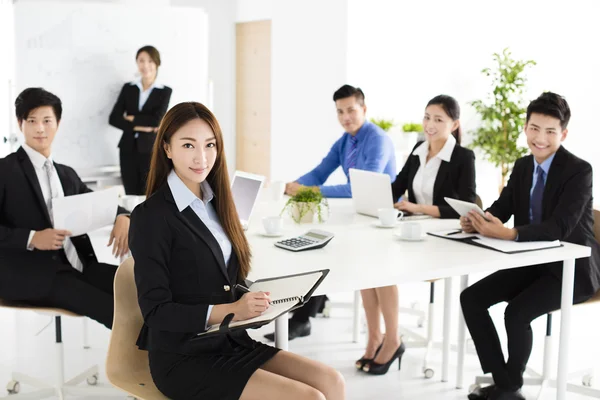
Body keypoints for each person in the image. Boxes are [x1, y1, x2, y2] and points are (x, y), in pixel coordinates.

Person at [128, 102, 345, 400]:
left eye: (210, 145)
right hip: (183, 355)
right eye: (188, 145)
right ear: (167, 148)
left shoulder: (217, 203)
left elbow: (223, 277)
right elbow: (155, 311)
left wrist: (265, 296)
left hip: (229, 341)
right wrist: (231, 310)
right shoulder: (151, 216)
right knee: (309, 397)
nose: (201, 157)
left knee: (332, 382)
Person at [460, 92, 600, 400]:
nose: (540, 138)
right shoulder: (523, 166)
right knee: (471, 298)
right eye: (535, 128)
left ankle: (508, 387)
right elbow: (504, 205)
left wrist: (507, 234)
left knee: (517, 312)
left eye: (550, 131)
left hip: (572, 270)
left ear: (563, 134)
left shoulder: (579, 171)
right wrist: (482, 220)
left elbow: (559, 227)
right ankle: (508, 383)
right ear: (525, 128)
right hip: (533, 262)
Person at [358, 94, 476, 376]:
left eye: (438, 119)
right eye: (427, 117)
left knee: (383, 269)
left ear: (454, 124)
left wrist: (418, 207)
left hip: (442, 237)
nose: (430, 125)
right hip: (412, 229)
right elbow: (397, 185)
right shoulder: (418, 149)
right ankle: (375, 337)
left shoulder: (462, 157)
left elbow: (466, 205)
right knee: (368, 265)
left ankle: (392, 339)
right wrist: (372, 196)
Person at [268, 85, 396, 342]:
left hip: (381, 220)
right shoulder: (346, 140)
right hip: (358, 213)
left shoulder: (377, 139)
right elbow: (319, 172)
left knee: (322, 248)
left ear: (364, 109)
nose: (345, 117)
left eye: (351, 110)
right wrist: (292, 187)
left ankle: (305, 316)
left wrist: (311, 190)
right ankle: (306, 314)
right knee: (312, 242)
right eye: (340, 112)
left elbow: (358, 187)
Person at [0, 88, 130, 329]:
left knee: (137, 285)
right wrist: (32, 238)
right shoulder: (5, 171)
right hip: (30, 274)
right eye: (32, 121)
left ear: (57, 124)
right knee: (112, 308)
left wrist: (123, 216)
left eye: (47, 121)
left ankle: (168, 351)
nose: (40, 128)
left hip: (78, 266)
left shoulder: (66, 174)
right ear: (20, 124)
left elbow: (100, 203)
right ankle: (149, 361)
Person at [109, 45, 172, 195]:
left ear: (157, 63)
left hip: (150, 149)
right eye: (141, 61)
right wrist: (142, 126)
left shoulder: (164, 91)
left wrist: (132, 119)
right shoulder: (128, 88)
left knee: (149, 193)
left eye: (150, 61)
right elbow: (114, 118)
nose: (145, 65)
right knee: (130, 194)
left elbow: (156, 121)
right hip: (127, 149)